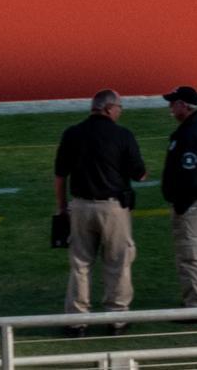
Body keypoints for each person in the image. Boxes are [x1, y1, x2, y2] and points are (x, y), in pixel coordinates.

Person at [55, 89, 146, 331]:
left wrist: (63, 208)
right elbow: (141, 174)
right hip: (114, 208)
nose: (120, 111)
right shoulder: (123, 135)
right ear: (108, 108)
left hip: (80, 206)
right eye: (119, 107)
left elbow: (60, 176)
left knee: (80, 264)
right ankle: (116, 318)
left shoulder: (72, 133)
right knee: (118, 262)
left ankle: (76, 320)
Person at [160, 86, 197, 314]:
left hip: (192, 200)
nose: (170, 106)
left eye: (173, 102)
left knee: (190, 252)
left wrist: (182, 202)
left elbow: (189, 172)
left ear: (184, 106)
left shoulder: (189, 133)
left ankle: (196, 307)